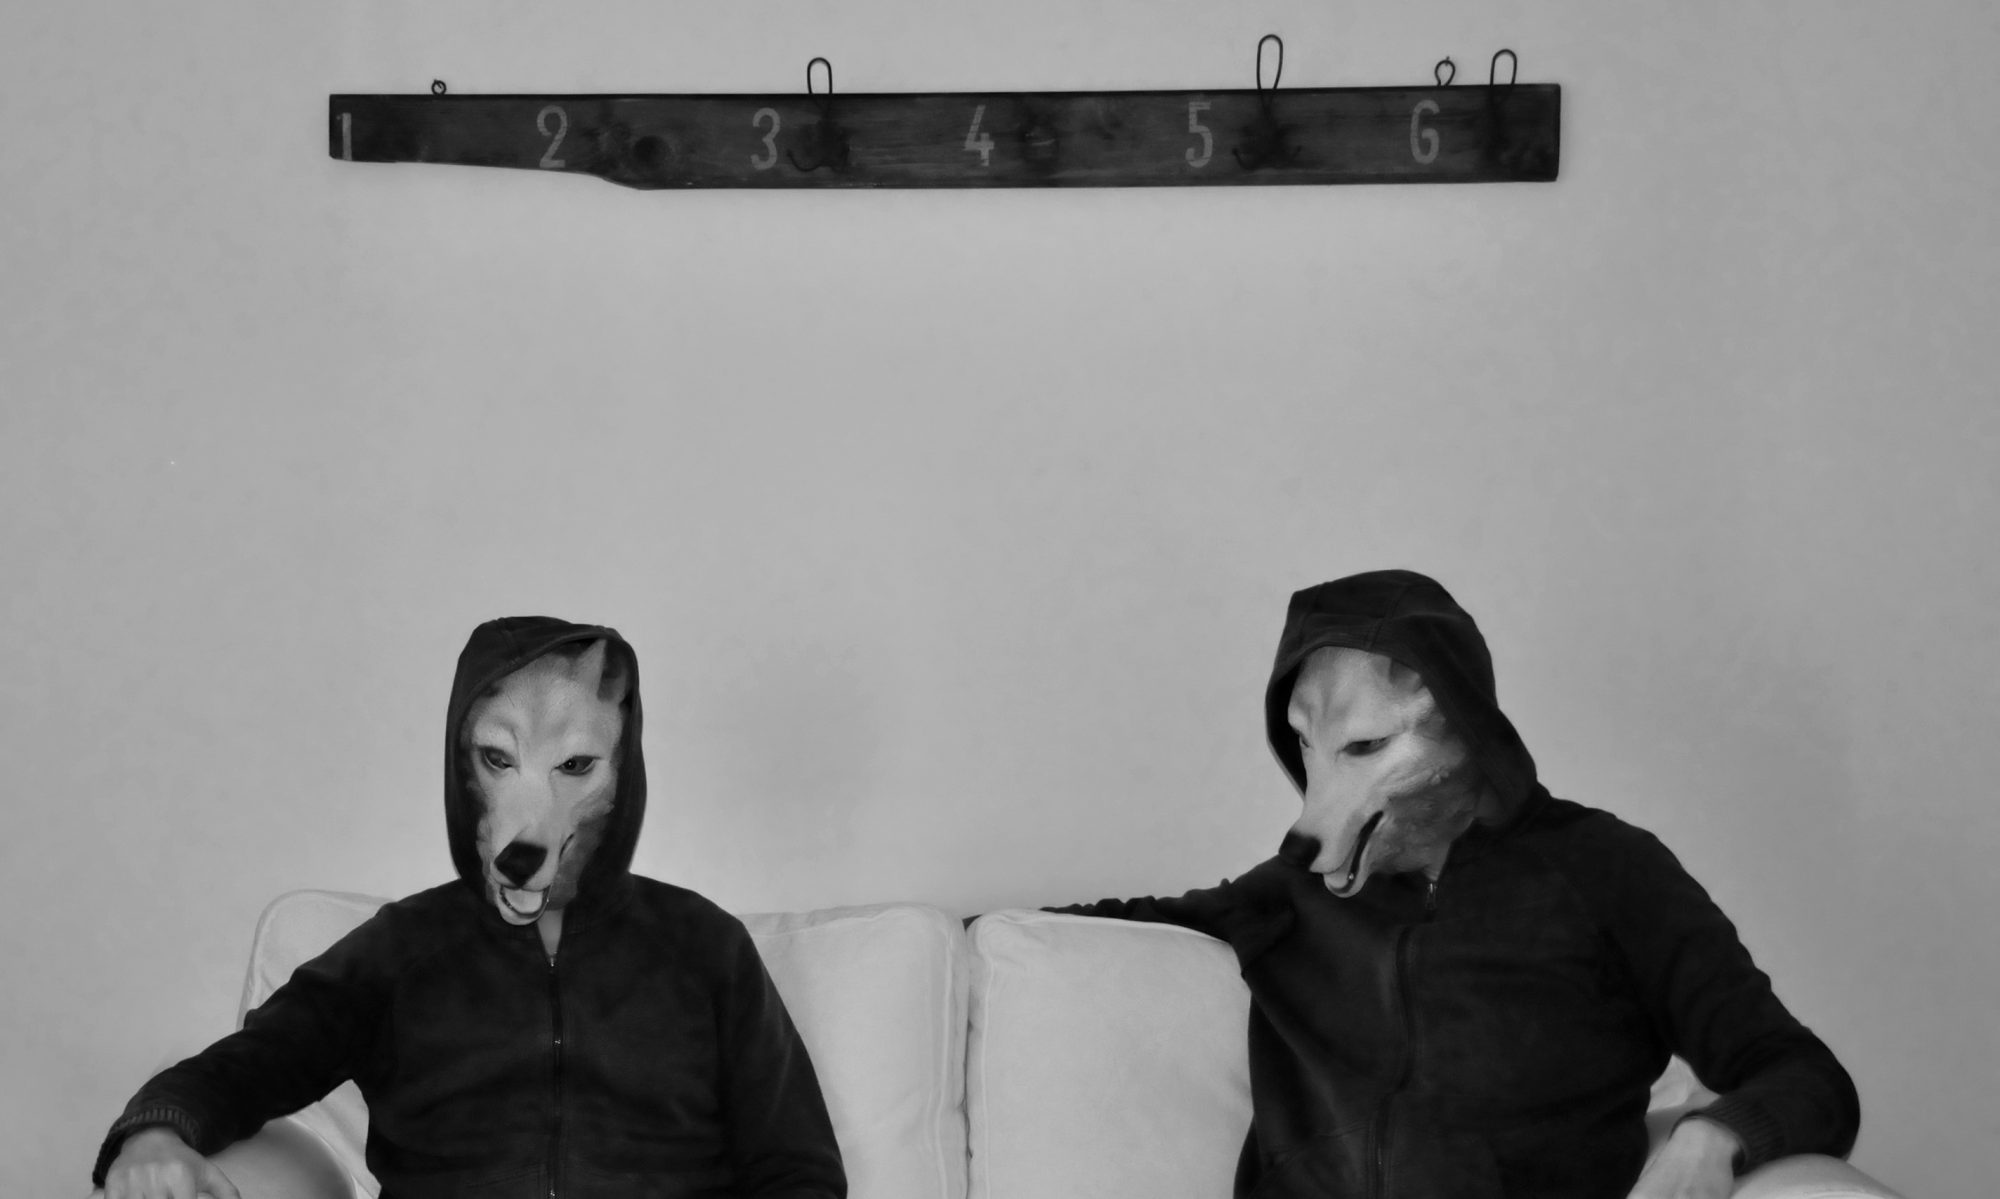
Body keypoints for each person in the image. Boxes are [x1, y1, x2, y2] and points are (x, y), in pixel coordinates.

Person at [1048, 570, 1859, 1199]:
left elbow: (1803, 1072)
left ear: (1465, 726)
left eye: (1366, 745)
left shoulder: (1607, 869)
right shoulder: (1289, 893)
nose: (1315, 806)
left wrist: (1712, 1137)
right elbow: (1105, 927)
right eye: (1306, 744)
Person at [93, 616, 845, 1199]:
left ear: (623, 771)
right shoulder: (400, 949)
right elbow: (250, 1066)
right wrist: (155, 1134)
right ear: (462, 769)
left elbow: (796, 1167)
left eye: (575, 765)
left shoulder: (704, 945)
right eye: (498, 757)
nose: (530, 818)